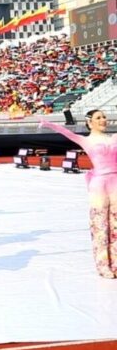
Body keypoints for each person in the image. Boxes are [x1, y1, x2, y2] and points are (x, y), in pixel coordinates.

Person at [41, 112, 117, 278]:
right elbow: (66, 132)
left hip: (115, 182)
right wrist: (48, 124)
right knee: (100, 224)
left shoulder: (114, 138)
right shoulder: (86, 140)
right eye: (98, 118)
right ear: (89, 123)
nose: (103, 120)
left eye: (104, 117)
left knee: (116, 224)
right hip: (99, 185)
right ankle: (103, 265)